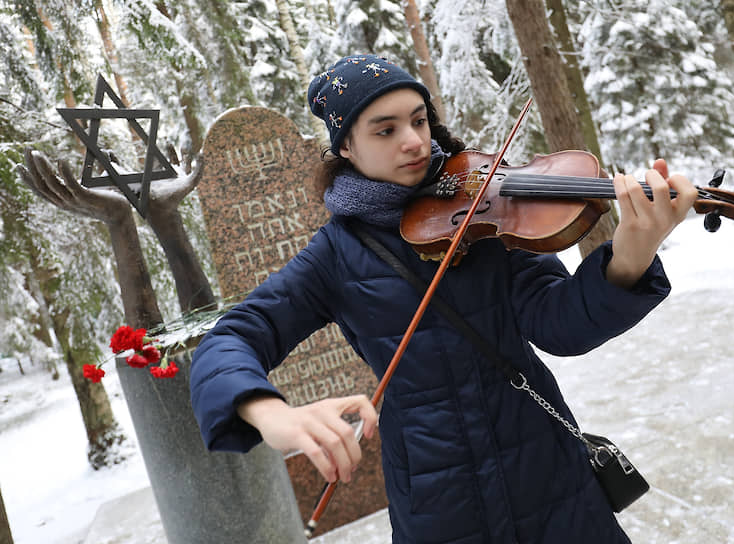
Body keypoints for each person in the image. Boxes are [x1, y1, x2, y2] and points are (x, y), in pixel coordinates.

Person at [190, 53, 698, 543]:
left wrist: (631, 253)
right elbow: (231, 339)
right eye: (385, 130)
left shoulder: (487, 203)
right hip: (438, 495)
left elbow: (558, 325)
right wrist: (271, 414)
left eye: (418, 120)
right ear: (345, 146)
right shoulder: (335, 256)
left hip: (547, 471)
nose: (412, 141)